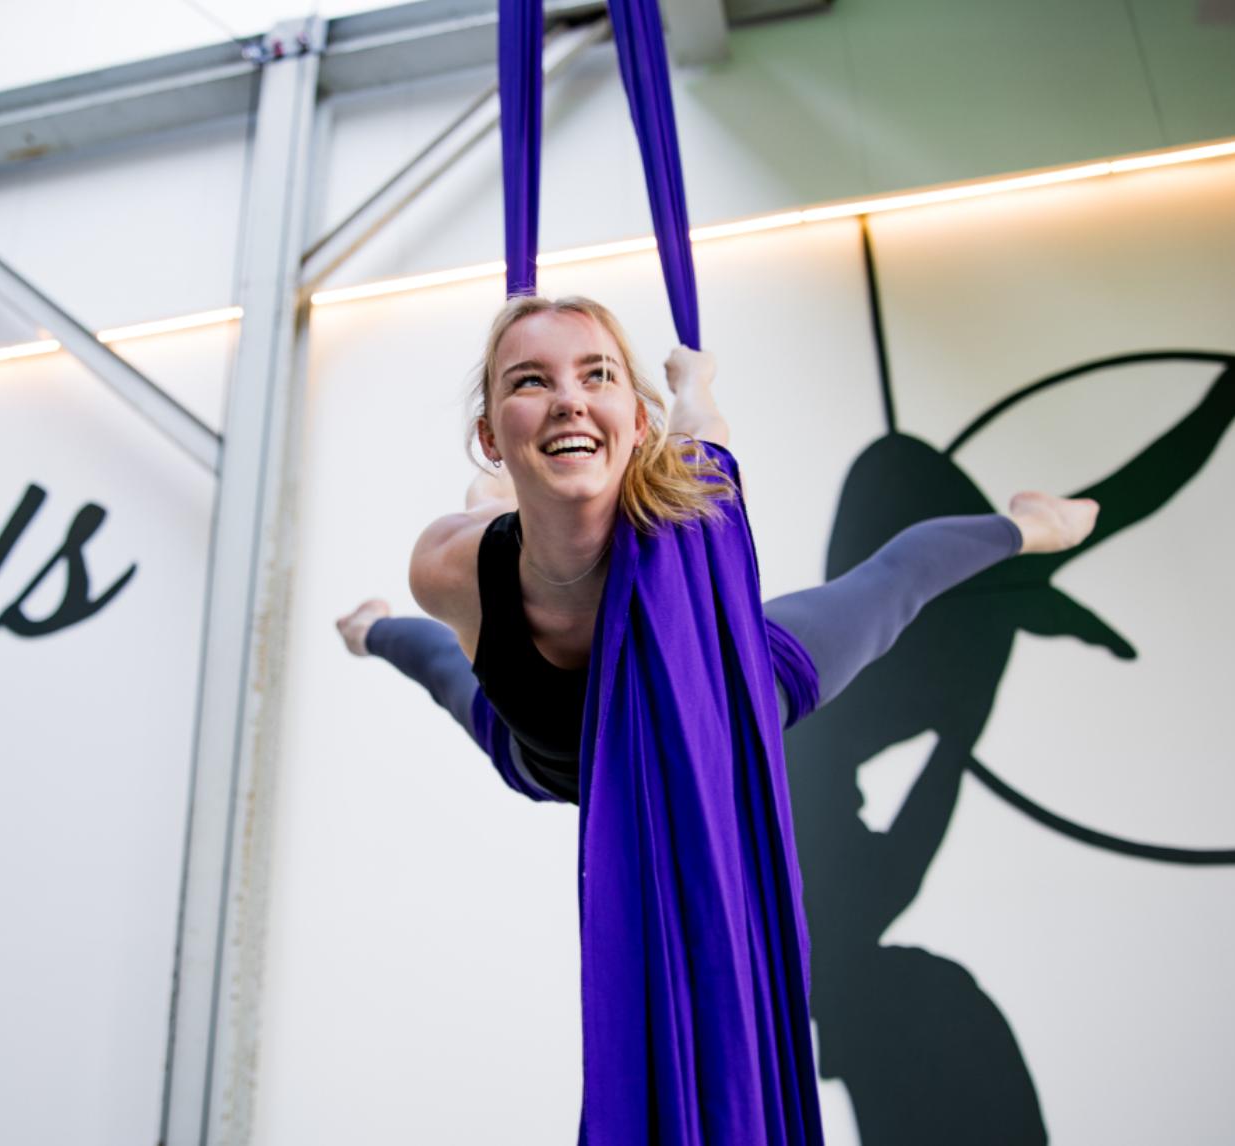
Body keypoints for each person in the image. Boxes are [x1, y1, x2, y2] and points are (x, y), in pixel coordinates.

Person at [338, 294, 1098, 805]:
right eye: (532, 382)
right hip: (557, 766)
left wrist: (692, 384)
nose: (570, 398)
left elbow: (702, 429)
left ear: (639, 422)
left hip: (733, 694)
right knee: (434, 658)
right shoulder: (450, 567)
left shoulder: (689, 506)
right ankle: (368, 626)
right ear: (489, 436)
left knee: (895, 581)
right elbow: (484, 530)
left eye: (596, 376)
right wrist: (514, 486)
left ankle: (1029, 526)